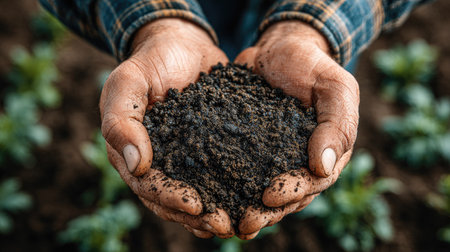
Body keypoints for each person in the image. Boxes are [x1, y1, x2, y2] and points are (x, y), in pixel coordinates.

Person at [39, 0, 431, 239]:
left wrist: (312, 27)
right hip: (186, 29)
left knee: (316, 102)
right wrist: (156, 22)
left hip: (295, 51)